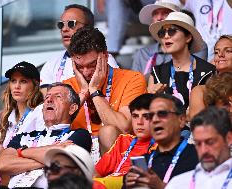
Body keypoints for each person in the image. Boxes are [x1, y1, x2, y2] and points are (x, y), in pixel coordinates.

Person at [63, 26, 147, 155]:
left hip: (117, 153)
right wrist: (83, 93)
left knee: (108, 132)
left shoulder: (132, 79)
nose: (86, 72)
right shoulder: (67, 86)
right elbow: (55, 126)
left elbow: (123, 127)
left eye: (92, 65)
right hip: (79, 152)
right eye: (79, 67)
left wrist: (94, 91)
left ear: (106, 56)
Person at [0, 82, 92, 188]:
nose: (49, 100)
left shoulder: (80, 135)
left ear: (72, 108)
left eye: (58, 97)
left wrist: (21, 152)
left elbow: (63, 162)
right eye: (47, 97)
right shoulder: (22, 137)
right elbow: (1, 165)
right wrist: (51, 157)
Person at [40, 4, 119, 95]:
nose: (64, 29)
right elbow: (46, 99)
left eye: (71, 23)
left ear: (87, 28)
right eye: (61, 25)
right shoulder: (51, 63)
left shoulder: (106, 59)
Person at [124, 94, 199, 189]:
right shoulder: (141, 164)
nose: (155, 120)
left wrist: (162, 187)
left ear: (181, 120)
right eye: (150, 116)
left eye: (162, 114)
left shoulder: (199, 157)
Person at [147, 11, 215, 110]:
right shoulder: (157, 72)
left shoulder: (208, 71)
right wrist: (151, 96)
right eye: (162, 33)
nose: (166, 36)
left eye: (171, 31)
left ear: (188, 37)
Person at [94, 93, 157, 189]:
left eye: (146, 116)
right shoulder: (123, 140)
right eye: (135, 116)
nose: (139, 122)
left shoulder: (160, 146)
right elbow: (96, 172)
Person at [165, 106, 232, 189]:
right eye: (198, 143)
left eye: (210, 142)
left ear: (228, 139)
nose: (204, 150)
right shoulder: (178, 183)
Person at [0, 61, 44, 150]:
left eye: (23, 81)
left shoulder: (41, 112)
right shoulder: (2, 119)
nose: (17, 86)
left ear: (35, 85)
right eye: (13, 81)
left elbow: (41, 149)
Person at [132, 0, 180, 79]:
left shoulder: (191, 51)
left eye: (165, 13)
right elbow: (134, 87)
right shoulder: (142, 53)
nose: (159, 18)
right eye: (155, 13)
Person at [189, 35, 232, 118]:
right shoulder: (201, 91)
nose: (220, 54)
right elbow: (200, 125)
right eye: (216, 52)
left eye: (228, 51)